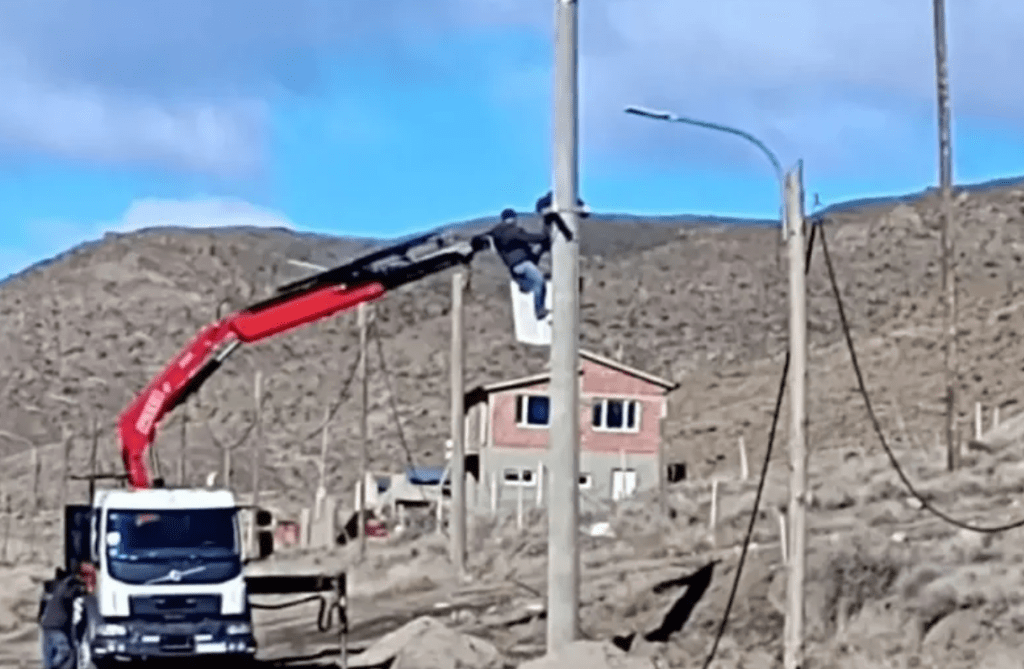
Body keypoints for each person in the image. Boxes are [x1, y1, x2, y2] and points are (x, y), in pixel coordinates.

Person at [488, 208, 551, 321]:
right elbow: (530, 238)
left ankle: (525, 285)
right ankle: (539, 310)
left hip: (513, 266)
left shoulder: (496, 233)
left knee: (539, 252)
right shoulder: (513, 231)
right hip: (523, 262)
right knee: (540, 282)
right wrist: (546, 236)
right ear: (513, 218)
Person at [39, 564, 85, 669]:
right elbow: (69, 595)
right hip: (58, 627)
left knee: (48, 659)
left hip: (47, 626)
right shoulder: (66, 587)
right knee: (65, 655)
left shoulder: (54, 589)